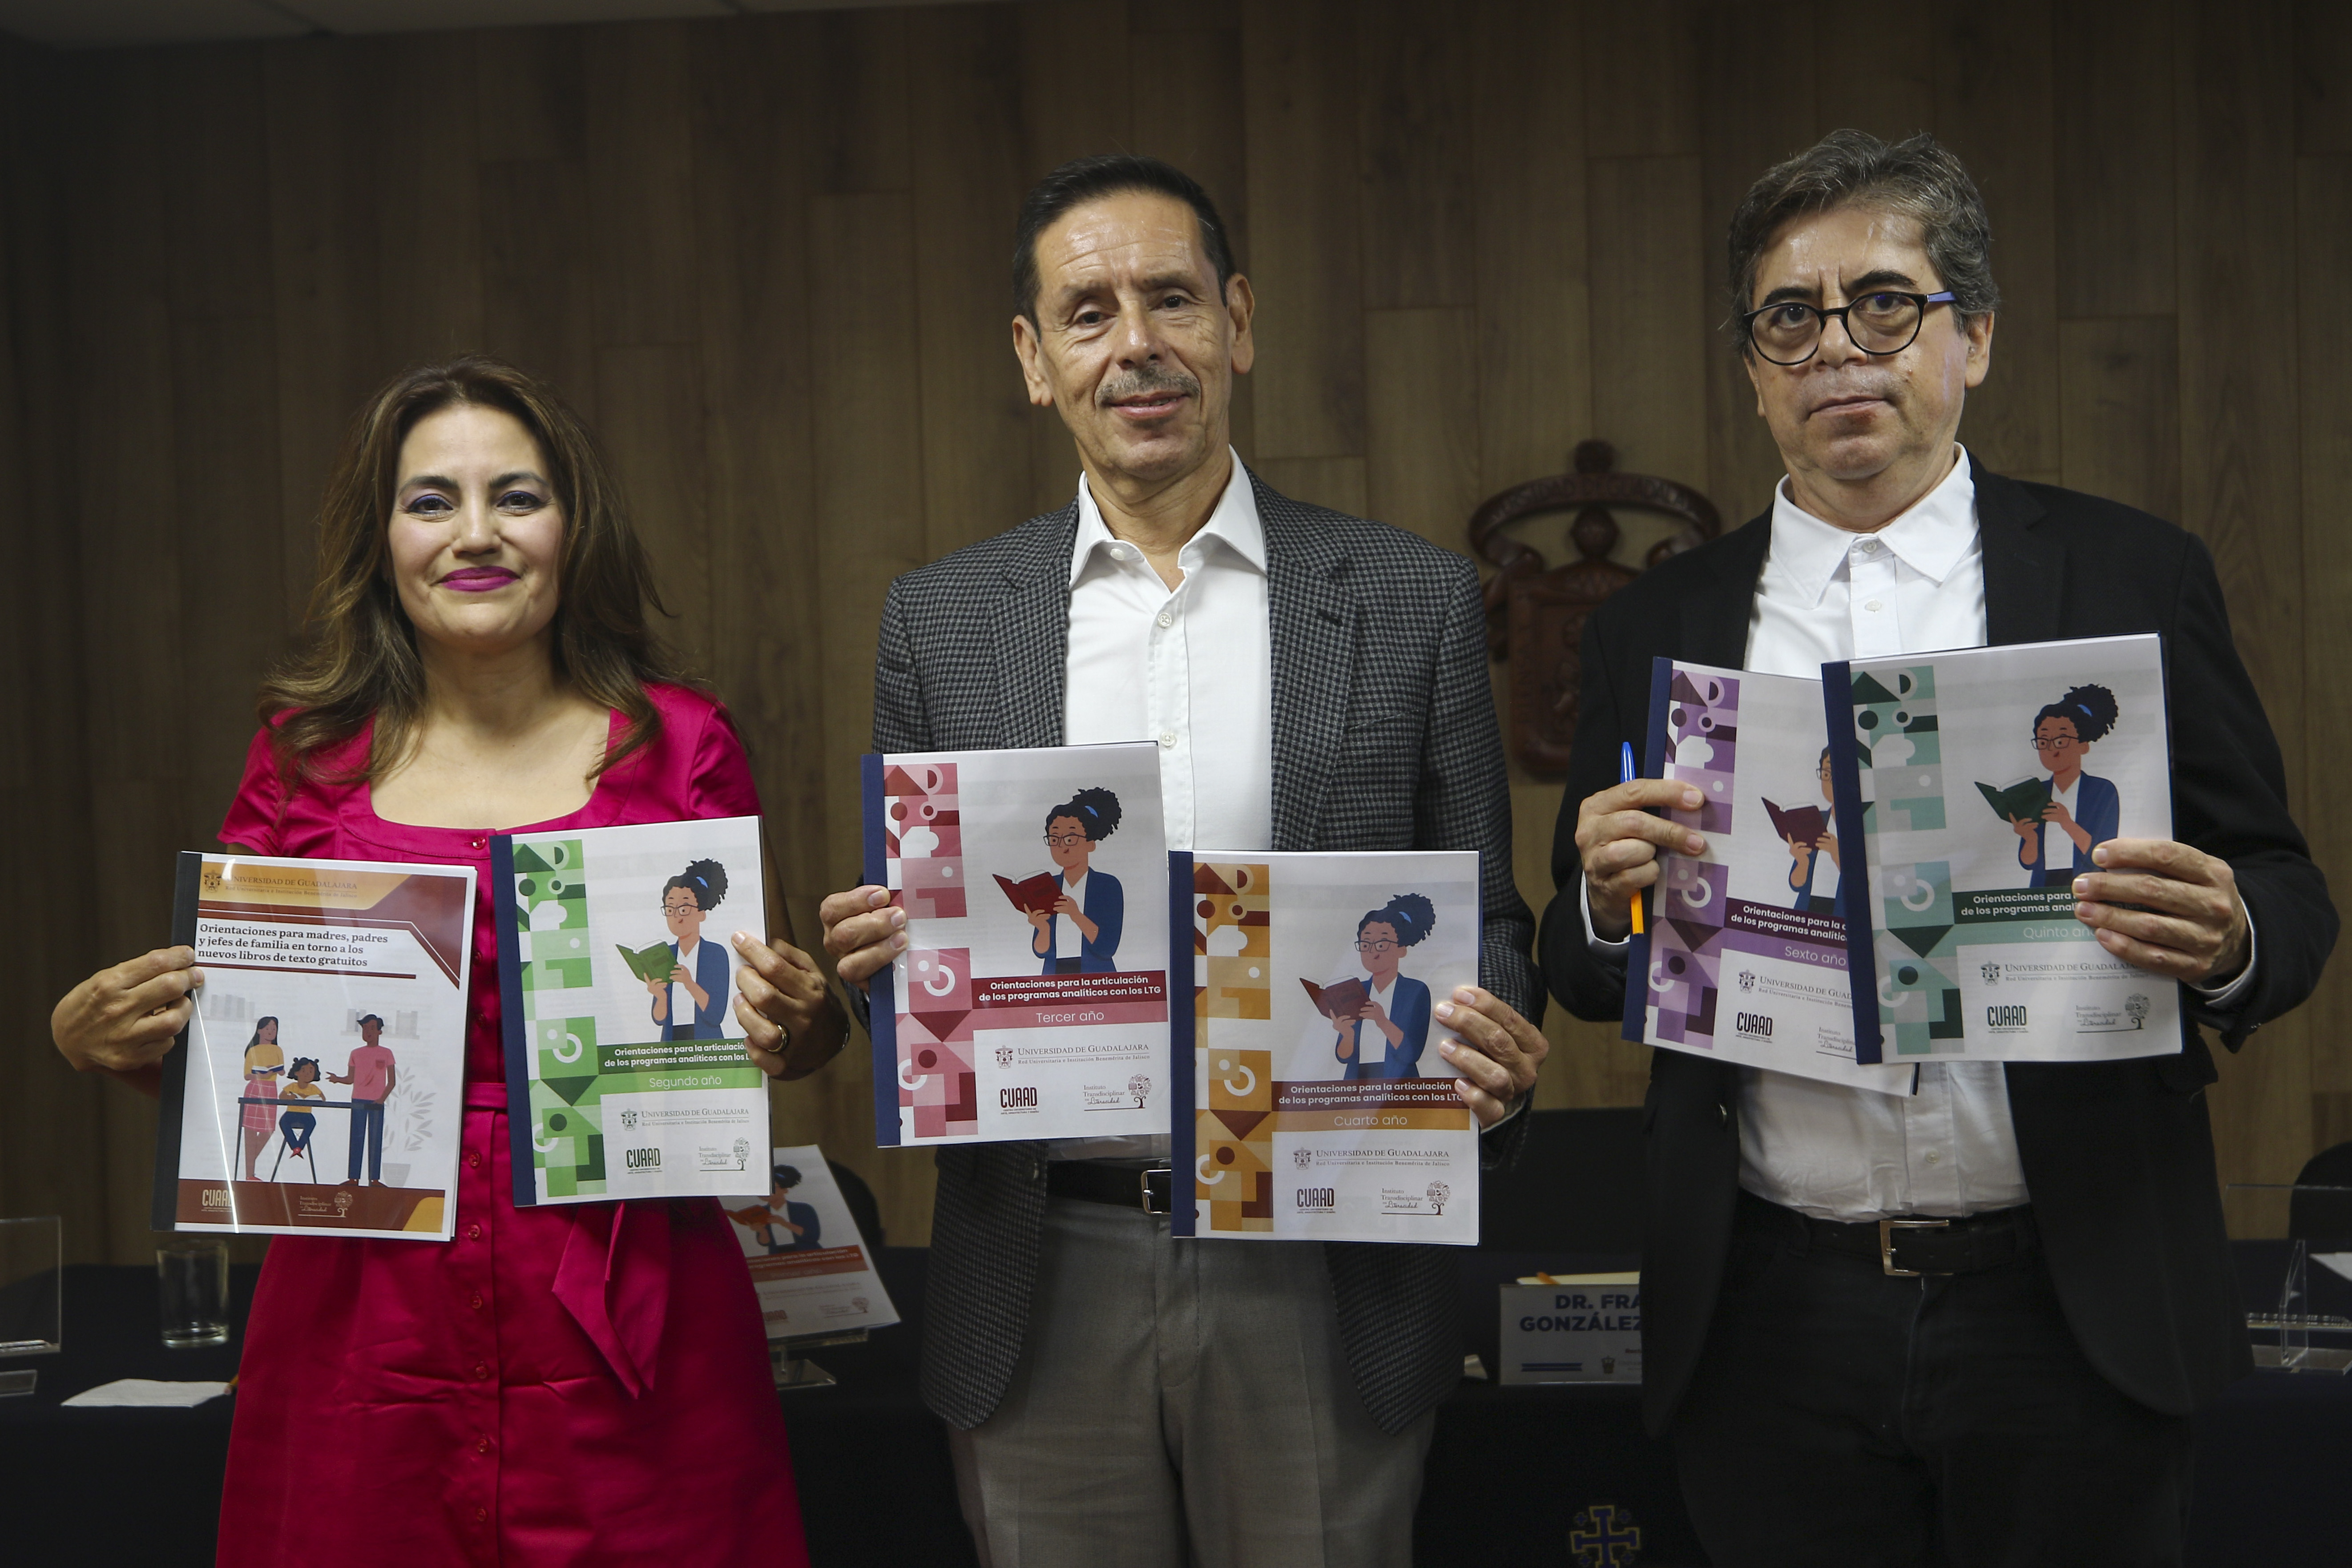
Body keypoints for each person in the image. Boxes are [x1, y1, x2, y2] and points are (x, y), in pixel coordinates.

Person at [1542, 131, 2336, 1566]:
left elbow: (2284, 895)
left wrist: (2226, 935)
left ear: (1971, 337)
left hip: (2066, 1294)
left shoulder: (2127, 574)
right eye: (1790, 318)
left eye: (1883, 305)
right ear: (1751, 370)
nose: (1836, 348)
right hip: (1770, 1312)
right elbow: (1582, 958)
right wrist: (1604, 907)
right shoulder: (1652, 627)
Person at [819, 154, 1548, 1568]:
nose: (1135, 344)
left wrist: (1492, 1045)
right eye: (1086, 312)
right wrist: (881, 970)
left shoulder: (1405, 599)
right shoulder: (941, 621)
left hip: (1324, 1249)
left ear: (1238, 322)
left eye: (1170, 298)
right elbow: (923, 975)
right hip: (1045, 1262)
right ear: (1033, 358)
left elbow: (1491, 922)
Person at [48, 355, 849, 1567]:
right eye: (432, 500)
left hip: (634, 1313)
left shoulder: (683, 743)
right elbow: (243, 1064)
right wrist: (101, 1037)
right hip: (361, 1324)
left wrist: (803, 1015)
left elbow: (781, 1037)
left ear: (573, 526)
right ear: (382, 541)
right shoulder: (302, 759)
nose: (476, 533)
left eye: (517, 496)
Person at [2012, 684, 2121, 886]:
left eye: (2061, 741)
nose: (2051, 750)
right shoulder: (2037, 792)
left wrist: (2067, 823)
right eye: (2043, 742)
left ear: (2083, 746)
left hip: (2089, 884)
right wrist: (2029, 838)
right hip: (2043, 889)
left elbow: (2103, 853)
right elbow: (2028, 862)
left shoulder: (2102, 791)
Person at [1330, 894, 1436, 1081]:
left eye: (1382, 944)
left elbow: (1411, 1053)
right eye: (1365, 944)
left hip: (1401, 1085)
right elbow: (1344, 1056)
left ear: (1402, 950)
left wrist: (1382, 1021)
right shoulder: (1355, 990)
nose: (1373, 952)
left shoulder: (1416, 991)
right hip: (1357, 1084)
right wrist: (1347, 1035)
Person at [1027, 787, 1125, 973]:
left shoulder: (1108, 886)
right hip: (1054, 977)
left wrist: (1076, 915)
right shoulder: (1048, 885)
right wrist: (1043, 929)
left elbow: (1107, 948)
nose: (1062, 847)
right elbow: (1041, 952)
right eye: (1054, 839)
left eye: (1070, 839)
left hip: (1097, 975)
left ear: (1090, 844)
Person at [649, 859, 732, 1039]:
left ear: (701, 913)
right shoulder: (666, 954)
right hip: (672, 1045)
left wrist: (689, 984)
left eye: (684, 909)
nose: (677, 917)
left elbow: (716, 1015)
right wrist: (660, 996)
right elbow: (659, 1019)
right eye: (670, 909)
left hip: (707, 1042)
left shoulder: (716, 954)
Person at [327, 1013, 396, 1186]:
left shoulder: (387, 1053)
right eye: (365, 1029)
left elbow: (392, 1082)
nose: (368, 1032)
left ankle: (374, 1179)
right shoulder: (356, 1053)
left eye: (372, 1028)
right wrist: (337, 1079)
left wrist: (381, 1099)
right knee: (356, 1139)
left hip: (377, 1103)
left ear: (380, 1031)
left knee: (375, 1140)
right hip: (358, 1100)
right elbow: (350, 1079)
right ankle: (353, 1178)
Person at [1786, 748, 1843, 915]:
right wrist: (1802, 863)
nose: (1832, 782)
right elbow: (1796, 885)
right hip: (1807, 910)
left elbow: (1865, 884)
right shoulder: (1816, 820)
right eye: (1826, 774)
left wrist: (1838, 857)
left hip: (1842, 914)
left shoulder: (1863, 826)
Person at [238, 1016, 285, 1181]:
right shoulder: (253, 1050)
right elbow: (247, 1075)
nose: (271, 1031)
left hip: (271, 1090)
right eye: (268, 1028)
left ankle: (249, 1164)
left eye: (274, 1029)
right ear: (259, 1030)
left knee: (269, 1129)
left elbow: (282, 1071)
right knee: (250, 1132)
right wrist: (262, 1074)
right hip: (255, 1089)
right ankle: (249, 1175)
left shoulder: (278, 1050)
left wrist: (275, 1070)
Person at [278, 1057, 323, 1168]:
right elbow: (281, 1096)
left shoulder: (313, 1088)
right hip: (291, 1113)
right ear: (297, 1072)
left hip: (306, 1114)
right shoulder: (292, 1086)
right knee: (283, 1122)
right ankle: (295, 1146)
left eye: (311, 1071)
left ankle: (300, 1146)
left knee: (312, 1123)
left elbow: (322, 1099)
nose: (307, 1074)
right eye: (304, 1071)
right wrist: (290, 1097)